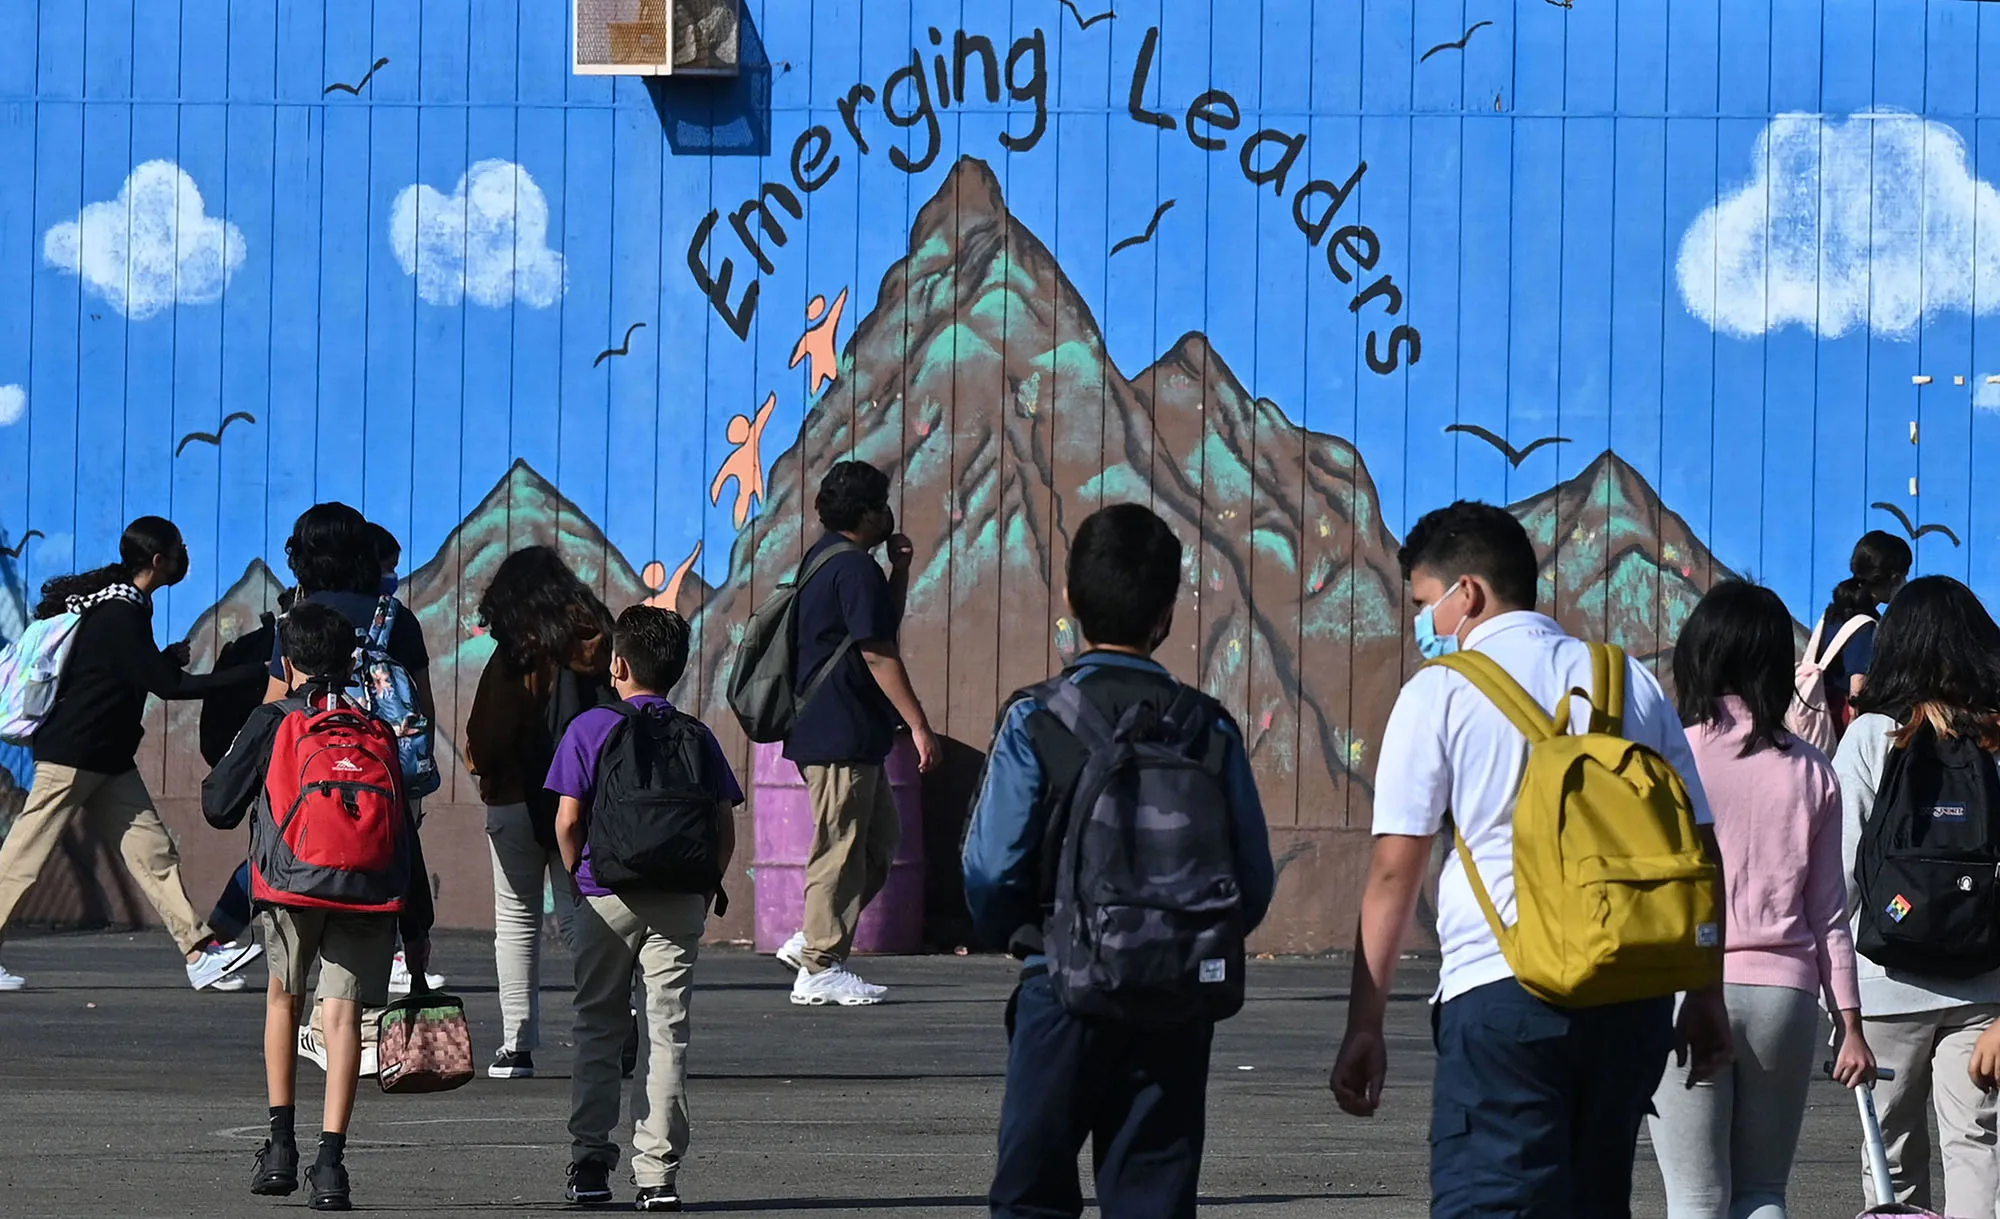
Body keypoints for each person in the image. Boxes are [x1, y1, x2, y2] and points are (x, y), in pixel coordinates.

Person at [1329, 500, 1732, 1219]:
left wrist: (1366, 1023)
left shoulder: (1440, 692)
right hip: (1629, 992)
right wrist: (1704, 993)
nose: (1422, 622)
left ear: (1469, 594)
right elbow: (1698, 848)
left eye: (1425, 603)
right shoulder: (1625, 681)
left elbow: (1396, 869)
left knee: (1493, 1202)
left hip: (1502, 993)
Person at [963, 503, 1275, 1219]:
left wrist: (1025, 935)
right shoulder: (1208, 725)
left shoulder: (1036, 718)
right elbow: (1250, 880)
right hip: (1174, 997)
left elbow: (989, 869)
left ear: (1069, 599)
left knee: (1031, 1196)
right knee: (1154, 1199)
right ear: (1167, 614)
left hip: (1061, 987)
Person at [1648, 580, 1876, 1219]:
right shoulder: (1810, 770)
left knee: (1695, 1196)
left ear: (1699, 653)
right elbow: (1830, 913)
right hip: (1786, 996)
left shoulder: (1670, 760)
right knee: (1761, 1194)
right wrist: (1850, 1024)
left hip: (1684, 989)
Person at [202, 601, 434, 1212]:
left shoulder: (273, 719)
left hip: (291, 885)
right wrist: (418, 924)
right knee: (341, 1020)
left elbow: (218, 806)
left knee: (285, 997)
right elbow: (404, 832)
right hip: (369, 890)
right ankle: (331, 1167)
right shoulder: (376, 730)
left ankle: (280, 1148)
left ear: (288, 660)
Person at [0, 517, 267, 993]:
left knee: (153, 851)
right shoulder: (120, 613)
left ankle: (199, 952)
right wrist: (252, 674)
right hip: (74, 756)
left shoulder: (126, 607)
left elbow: (123, 675)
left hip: (107, 757)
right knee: (24, 856)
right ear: (159, 560)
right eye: (180, 549)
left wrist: (160, 660)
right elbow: (170, 688)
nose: (186, 557)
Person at [546, 605, 741, 1212]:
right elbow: (723, 826)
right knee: (667, 1031)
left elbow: (569, 819)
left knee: (598, 1026)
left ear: (618, 664)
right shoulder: (698, 736)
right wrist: (706, 888)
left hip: (605, 896)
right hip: (680, 897)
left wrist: (580, 883)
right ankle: (657, 1173)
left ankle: (590, 1163)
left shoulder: (589, 728)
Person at [1833, 576, 2000, 1214]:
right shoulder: (1995, 734)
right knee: (1976, 1144)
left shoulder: (1873, 733)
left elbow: (1842, 867)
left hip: (1884, 980)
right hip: (1982, 983)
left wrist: (1839, 995)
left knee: (1890, 1153)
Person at [776, 460, 940, 1006]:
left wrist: (900, 569)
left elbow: (876, 624)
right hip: (838, 732)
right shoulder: (848, 566)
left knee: (876, 847)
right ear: (868, 512)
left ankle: (812, 938)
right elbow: (877, 651)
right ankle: (819, 965)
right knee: (840, 847)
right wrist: (918, 725)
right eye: (883, 504)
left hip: (847, 733)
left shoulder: (838, 563)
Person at [265, 505, 441, 997]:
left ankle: (306, 1016)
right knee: (376, 890)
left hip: (308, 782)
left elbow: (275, 705)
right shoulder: (396, 619)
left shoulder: (296, 621)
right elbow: (420, 708)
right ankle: (346, 1021)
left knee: (304, 886)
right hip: (383, 779)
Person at [463, 545, 614, 1080]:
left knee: (517, 919)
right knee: (583, 912)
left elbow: (490, 732)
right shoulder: (601, 640)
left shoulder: (517, 653)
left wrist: (479, 763)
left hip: (515, 799)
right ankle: (614, 1018)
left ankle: (517, 1046)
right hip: (588, 798)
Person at [1815, 531, 1913, 722]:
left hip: (1819, 713)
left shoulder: (1833, 613)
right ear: (1894, 579)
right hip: (1841, 726)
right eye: (1904, 576)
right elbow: (1857, 691)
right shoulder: (1865, 625)